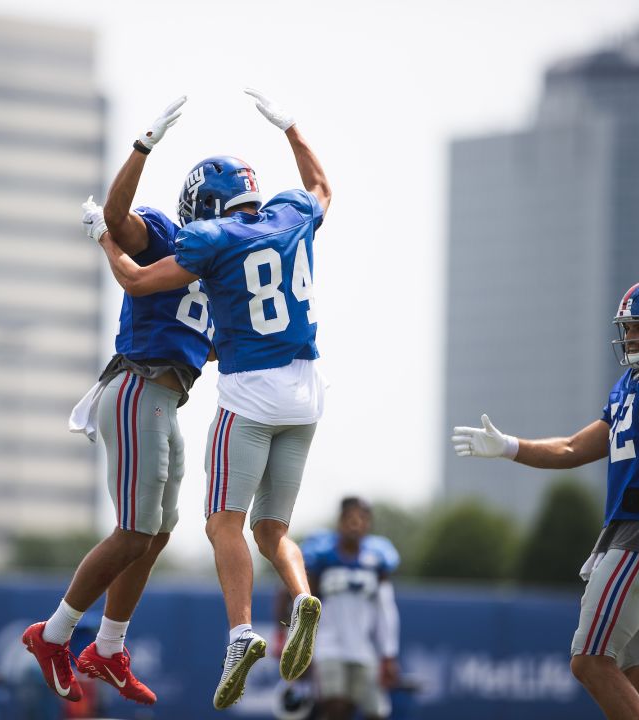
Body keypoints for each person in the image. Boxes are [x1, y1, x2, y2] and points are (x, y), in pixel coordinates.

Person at [93, 88, 331, 710]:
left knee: (222, 523)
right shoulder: (289, 213)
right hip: (308, 392)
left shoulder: (212, 239)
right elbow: (322, 188)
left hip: (251, 395)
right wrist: (294, 129)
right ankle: (303, 594)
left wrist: (103, 239)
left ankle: (241, 632)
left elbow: (139, 279)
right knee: (274, 528)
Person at [21, 96, 213, 707]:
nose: (242, 221)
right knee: (134, 531)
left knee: (158, 532)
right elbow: (116, 214)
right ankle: (53, 635)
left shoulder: (223, 265)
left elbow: (203, 346)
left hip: (166, 396)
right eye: (233, 210)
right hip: (136, 388)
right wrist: (143, 146)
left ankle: (107, 648)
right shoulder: (164, 233)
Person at [451, 278, 639, 720]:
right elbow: (574, 448)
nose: (630, 336)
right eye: (628, 327)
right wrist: (510, 446)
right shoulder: (632, 384)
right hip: (636, 535)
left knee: (589, 660)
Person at [295, 498, 401, 720]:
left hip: (363, 647)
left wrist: (388, 654)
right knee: (335, 707)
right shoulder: (322, 555)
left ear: (369, 524)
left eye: (362, 518)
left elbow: (385, 609)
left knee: (375, 712)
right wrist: (302, 649)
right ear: (340, 521)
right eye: (350, 518)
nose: (356, 524)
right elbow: (306, 607)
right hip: (329, 645)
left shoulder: (378, 559)